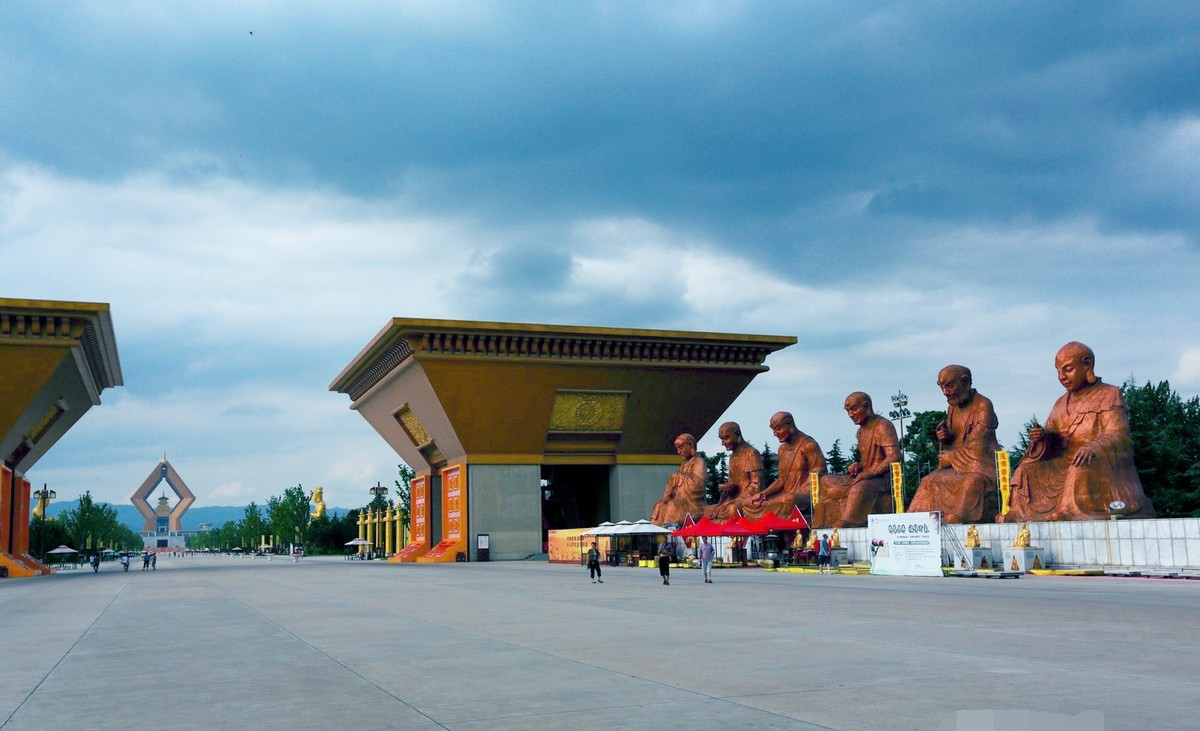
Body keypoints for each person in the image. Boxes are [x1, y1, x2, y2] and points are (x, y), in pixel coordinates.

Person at [1002, 342, 1155, 522]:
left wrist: (1095, 446)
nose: (1062, 377)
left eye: (1067, 369)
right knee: (1026, 469)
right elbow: (1055, 440)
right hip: (1062, 461)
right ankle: (1019, 514)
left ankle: (1070, 511)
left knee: (1080, 463)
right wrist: (1043, 438)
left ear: (1087, 365)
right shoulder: (1060, 403)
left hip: (1094, 459)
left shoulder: (1109, 394)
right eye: (1058, 371)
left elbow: (1120, 436)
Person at [907, 365, 1000, 523]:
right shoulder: (952, 409)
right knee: (928, 481)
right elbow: (954, 440)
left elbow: (979, 445)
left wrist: (951, 457)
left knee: (971, 482)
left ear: (965, 382)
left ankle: (961, 516)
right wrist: (945, 438)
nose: (945, 392)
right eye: (942, 387)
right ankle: (915, 520)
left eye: (949, 386)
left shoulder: (983, 405)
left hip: (978, 466)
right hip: (957, 466)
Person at [815, 393, 901, 528]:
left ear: (866, 406)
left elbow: (894, 456)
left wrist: (870, 473)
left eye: (854, 409)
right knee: (826, 480)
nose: (850, 414)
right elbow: (867, 461)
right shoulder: (860, 432)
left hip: (880, 479)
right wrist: (858, 466)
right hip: (864, 475)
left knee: (860, 486)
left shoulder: (883, 425)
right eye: (848, 411)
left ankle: (850, 520)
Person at [749, 412, 826, 520]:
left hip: (803, 496)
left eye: (778, 429)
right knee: (749, 504)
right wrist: (764, 493)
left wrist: (799, 492)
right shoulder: (782, 450)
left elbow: (818, 473)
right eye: (773, 430)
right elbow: (781, 480)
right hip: (786, 495)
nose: (775, 433)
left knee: (789, 500)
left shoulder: (809, 445)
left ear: (789, 424)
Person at [705, 422, 763, 520]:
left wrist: (738, 500)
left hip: (748, 500)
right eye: (722, 439)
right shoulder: (732, 457)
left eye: (726, 438)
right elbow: (733, 484)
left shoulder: (751, 453)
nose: (723, 443)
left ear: (737, 434)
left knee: (733, 509)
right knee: (707, 510)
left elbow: (756, 484)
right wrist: (728, 488)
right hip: (734, 499)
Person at [650, 434, 708, 525]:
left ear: (690, 445)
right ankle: (657, 535)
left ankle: (670, 534)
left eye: (681, 447)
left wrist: (677, 477)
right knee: (659, 506)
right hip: (680, 500)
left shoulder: (699, 461)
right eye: (677, 448)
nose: (678, 451)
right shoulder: (683, 465)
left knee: (671, 506)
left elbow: (699, 485)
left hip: (693, 504)